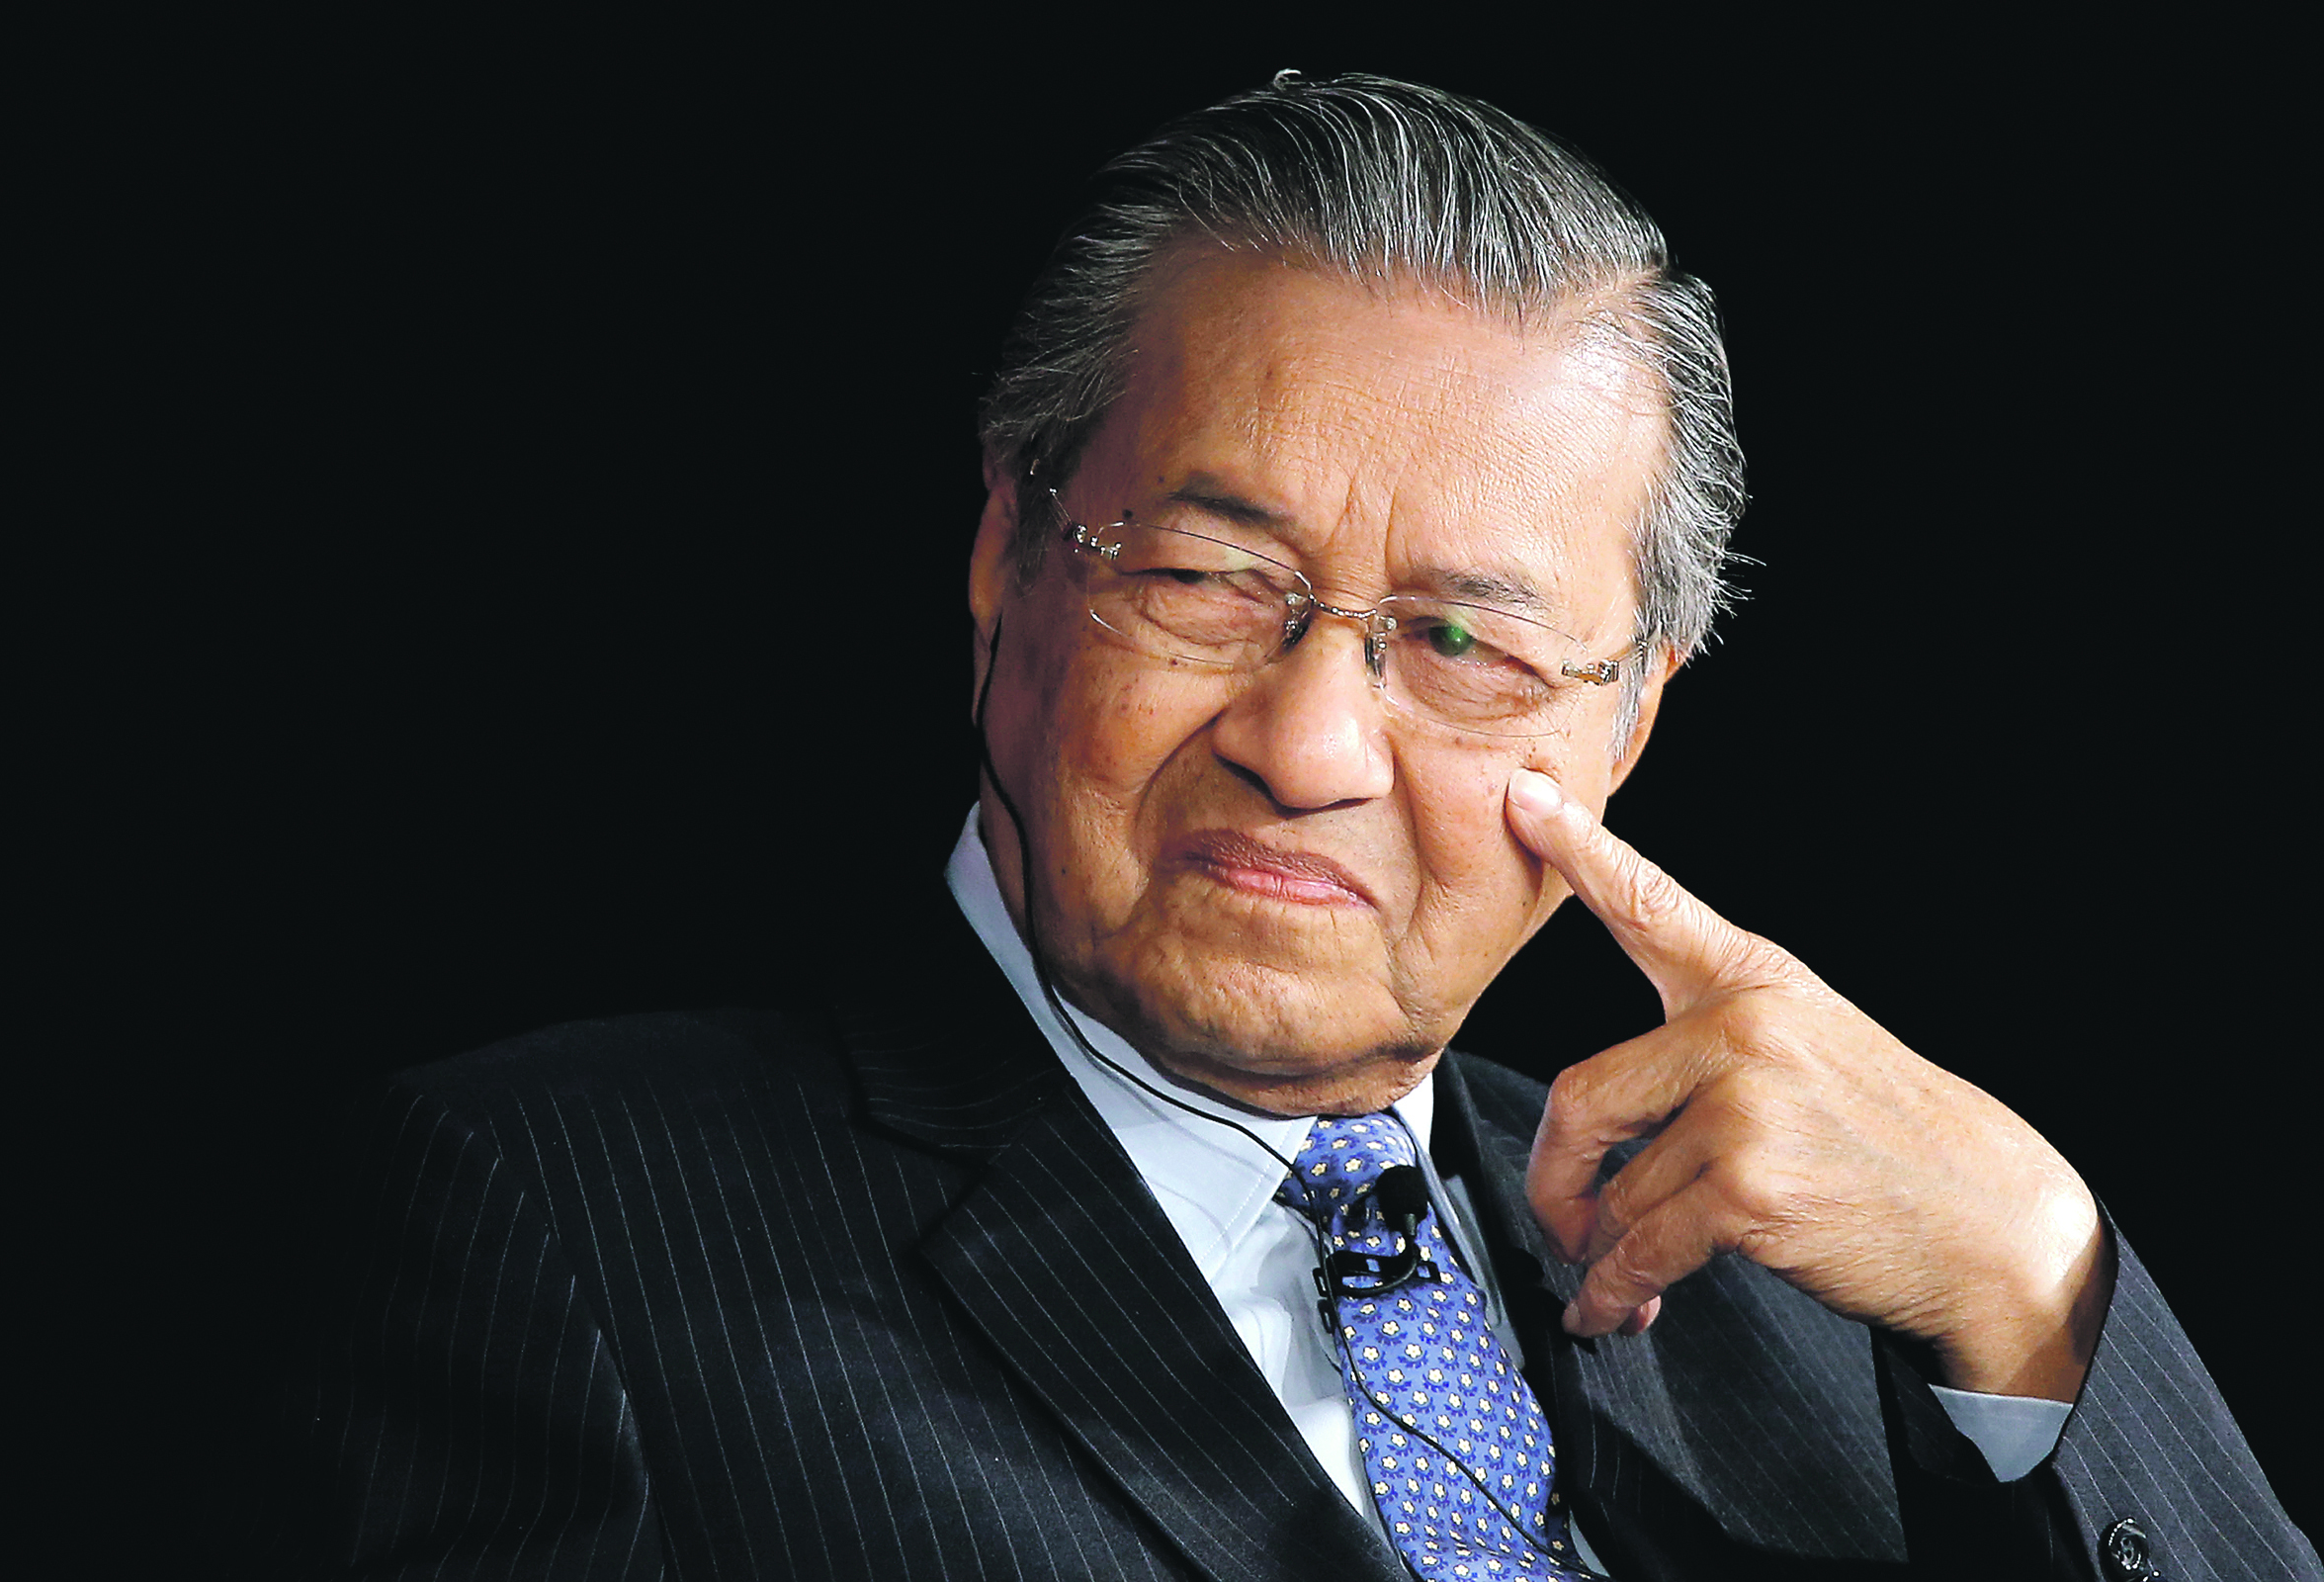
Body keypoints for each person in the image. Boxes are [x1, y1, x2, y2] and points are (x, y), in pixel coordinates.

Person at [258, 73, 2311, 1580]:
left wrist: (2041, 1277)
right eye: (1207, 579)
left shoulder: (1819, 1309)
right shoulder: (555, 1219)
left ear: (1629, 716)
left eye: (1463, 643)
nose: (1312, 742)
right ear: (1006, 551)